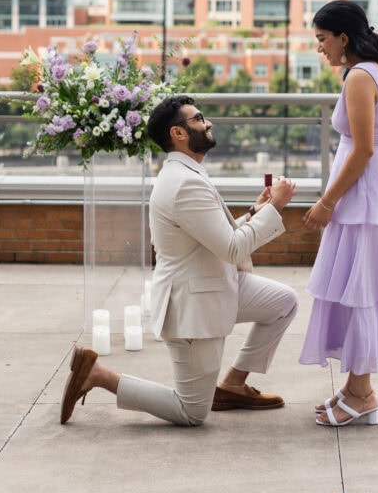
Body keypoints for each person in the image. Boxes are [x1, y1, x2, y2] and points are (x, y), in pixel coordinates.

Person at [60, 94, 298, 426]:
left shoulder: (185, 173)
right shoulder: (185, 183)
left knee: (284, 302)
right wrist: (276, 209)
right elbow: (231, 249)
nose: (208, 122)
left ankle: (232, 384)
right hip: (193, 303)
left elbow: (213, 238)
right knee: (191, 412)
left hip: (214, 283)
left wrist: (255, 213)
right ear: (178, 133)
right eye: (199, 118)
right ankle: (99, 375)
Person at [299, 0, 378, 427]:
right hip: (365, 195)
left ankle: (362, 393)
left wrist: (327, 202)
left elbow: (363, 148)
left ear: (343, 38)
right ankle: (353, 387)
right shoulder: (363, 73)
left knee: (359, 291)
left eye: (322, 39)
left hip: (362, 199)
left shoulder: (360, 78)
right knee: (353, 289)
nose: (320, 48)